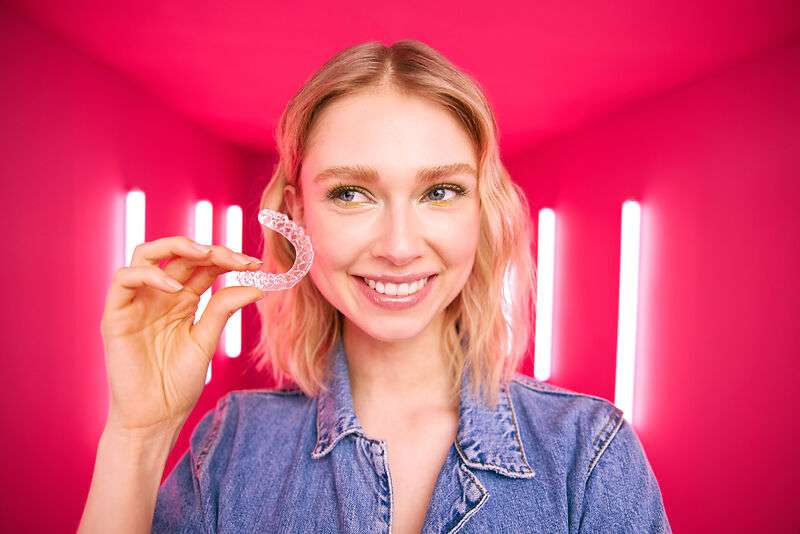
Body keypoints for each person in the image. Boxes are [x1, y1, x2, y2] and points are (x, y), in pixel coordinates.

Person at [78, 40, 671, 533]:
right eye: (350, 193)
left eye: (440, 191)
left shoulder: (589, 455)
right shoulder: (231, 445)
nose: (398, 246)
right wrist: (139, 434)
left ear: (480, 211)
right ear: (298, 211)